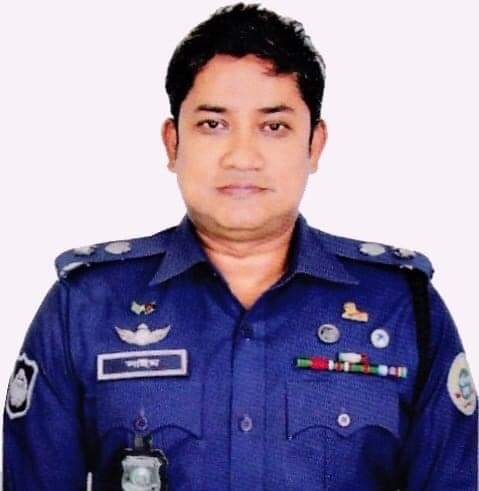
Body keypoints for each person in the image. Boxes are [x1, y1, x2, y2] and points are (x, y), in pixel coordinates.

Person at [3, 3, 477, 490]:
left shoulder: (401, 307)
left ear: (314, 145)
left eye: (274, 126)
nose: (242, 157)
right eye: (213, 124)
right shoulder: (85, 306)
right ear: (172, 143)